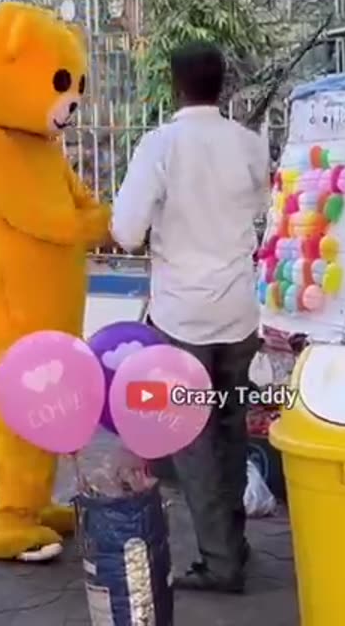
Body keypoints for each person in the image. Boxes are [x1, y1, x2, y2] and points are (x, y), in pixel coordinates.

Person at [110, 41, 268, 594]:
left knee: (194, 442)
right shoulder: (249, 144)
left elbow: (125, 231)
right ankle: (234, 545)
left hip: (182, 318)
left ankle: (221, 562)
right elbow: (262, 212)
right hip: (239, 313)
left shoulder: (160, 146)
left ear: (175, 84)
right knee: (229, 430)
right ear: (221, 84)